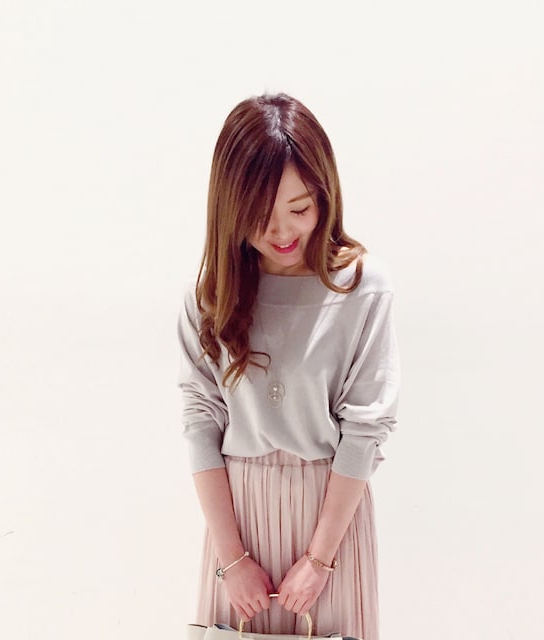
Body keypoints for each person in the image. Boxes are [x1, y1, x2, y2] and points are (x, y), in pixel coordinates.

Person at [177, 93, 400, 640]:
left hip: (332, 514)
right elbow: (201, 425)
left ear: (325, 195)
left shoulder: (361, 287)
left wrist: (320, 560)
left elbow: (365, 428)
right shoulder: (209, 296)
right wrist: (232, 560)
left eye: (299, 210)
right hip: (236, 519)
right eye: (259, 217)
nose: (282, 233)